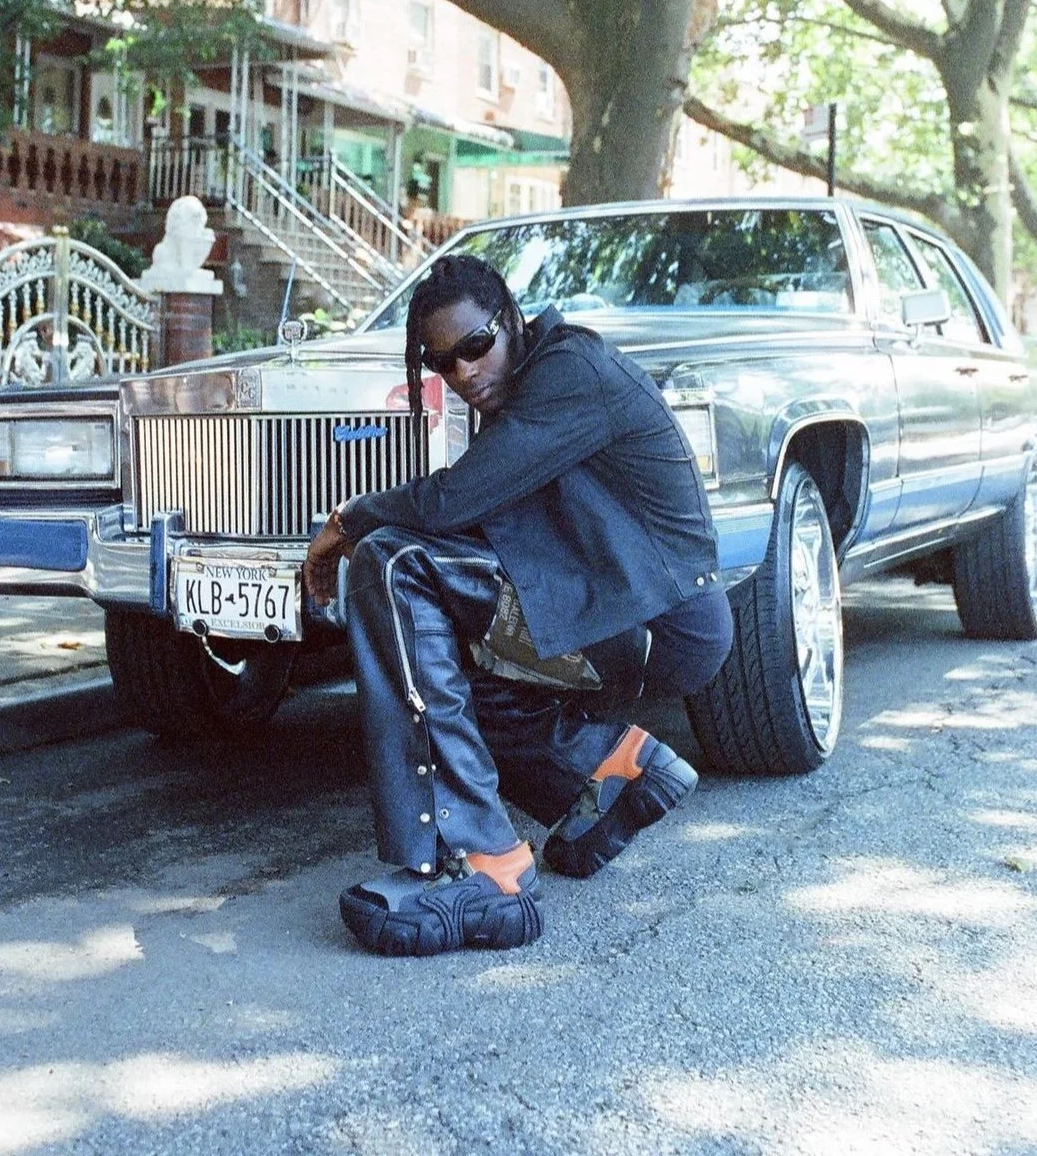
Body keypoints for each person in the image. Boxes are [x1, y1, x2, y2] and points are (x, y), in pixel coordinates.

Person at [304, 254, 732, 957]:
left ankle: (483, 866)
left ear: (510, 318)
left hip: (656, 621)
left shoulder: (570, 372)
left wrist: (348, 521)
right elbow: (484, 530)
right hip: (609, 607)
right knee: (427, 660)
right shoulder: (521, 389)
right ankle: (611, 768)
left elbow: (454, 500)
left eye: (476, 345)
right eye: (443, 362)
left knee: (394, 563)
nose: (465, 372)